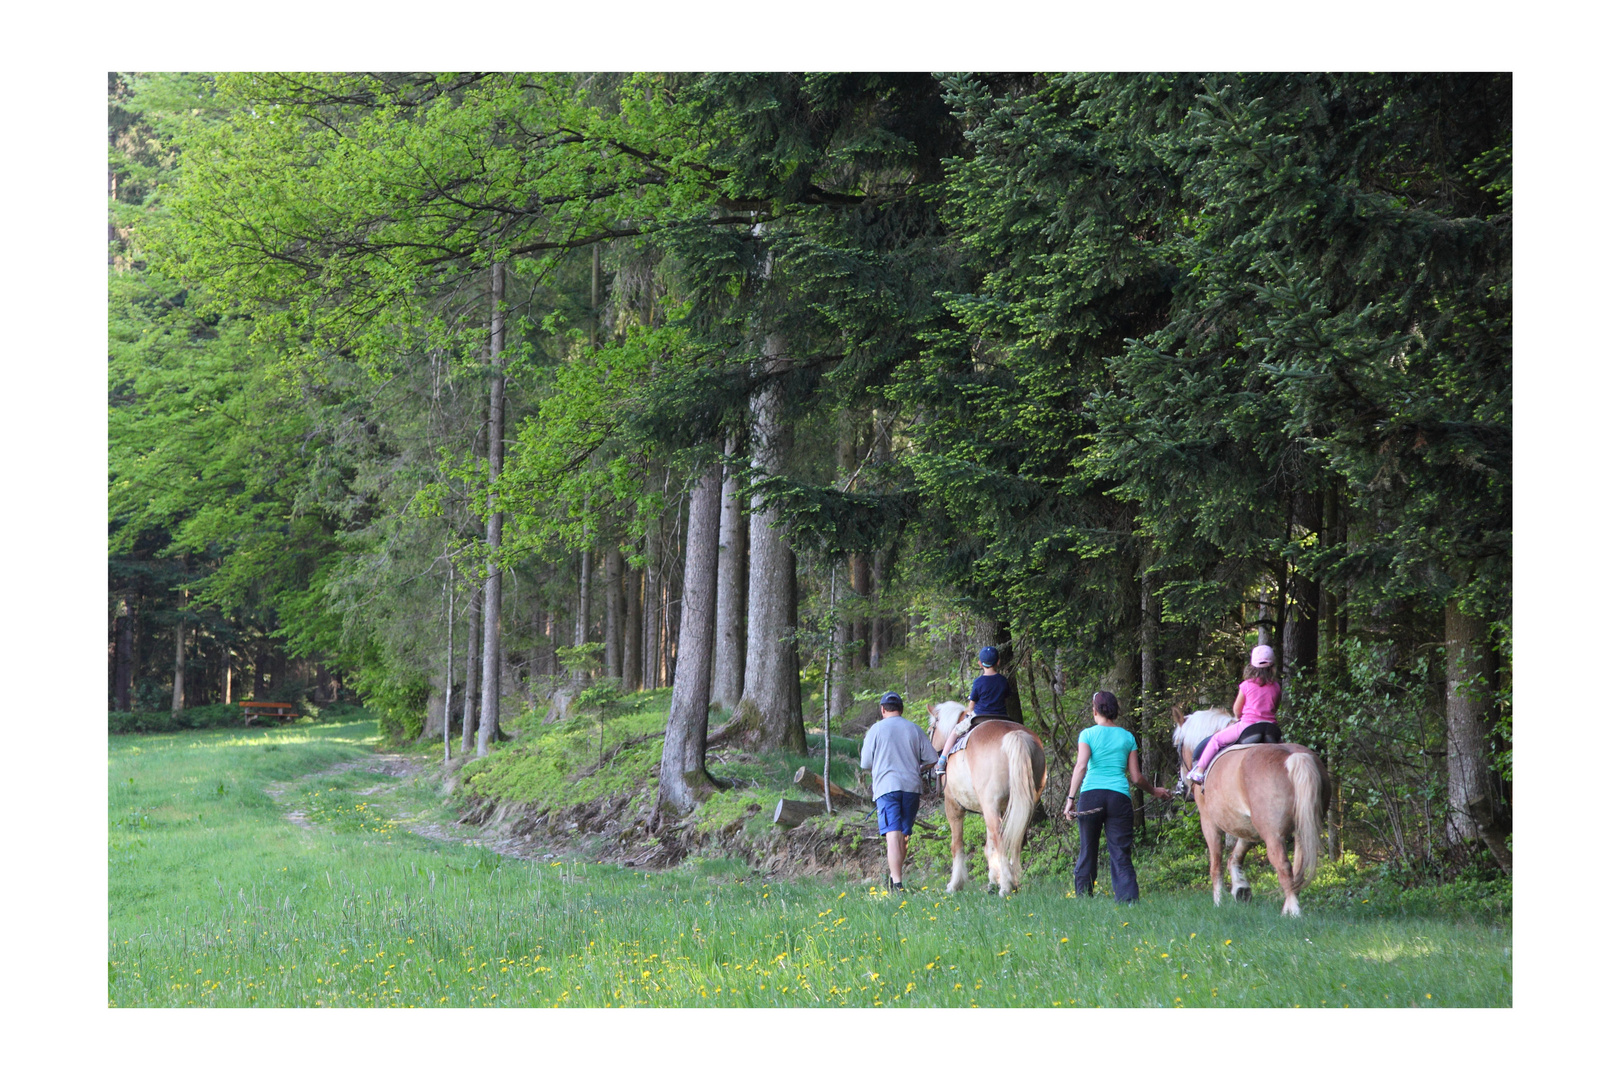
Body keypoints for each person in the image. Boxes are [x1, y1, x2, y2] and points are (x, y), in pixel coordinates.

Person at [1062, 690, 1170, 903]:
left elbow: (1081, 766)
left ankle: (1084, 900)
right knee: (1120, 852)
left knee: (1087, 850)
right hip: (1119, 798)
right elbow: (1137, 778)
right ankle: (1128, 900)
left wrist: (1070, 800)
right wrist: (1155, 791)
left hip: (1091, 796)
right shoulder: (1127, 737)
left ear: (1095, 710)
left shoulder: (1087, 735)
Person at [859, 691, 937, 891]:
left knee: (893, 834)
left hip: (887, 787)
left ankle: (897, 883)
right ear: (901, 710)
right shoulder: (914, 729)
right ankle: (896, 879)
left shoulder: (875, 730)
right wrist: (917, 768)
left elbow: (865, 762)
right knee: (903, 834)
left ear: (882, 709)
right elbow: (932, 759)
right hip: (911, 787)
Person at [1184, 644, 1284, 785]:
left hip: (1249, 727)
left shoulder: (1246, 685)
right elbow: (1275, 706)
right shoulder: (1277, 686)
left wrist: (1238, 718)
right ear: (1273, 666)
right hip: (1271, 729)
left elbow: (1237, 709)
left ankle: (1199, 771)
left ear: (1252, 666)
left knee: (1216, 740)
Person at [934, 646, 1010, 775]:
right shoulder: (1003, 681)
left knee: (955, 732)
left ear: (980, 664)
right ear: (998, 662)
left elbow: (972, 704)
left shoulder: (978, 682)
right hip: (1002, 717)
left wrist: (969, 711)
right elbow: (1006, 697)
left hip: (980, 716)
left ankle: (942, 760)